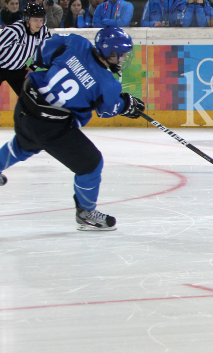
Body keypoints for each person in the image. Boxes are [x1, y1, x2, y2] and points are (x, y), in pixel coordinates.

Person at [0, 26, 145, 230]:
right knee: (91, 164)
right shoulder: (108, 84)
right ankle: (86, 212)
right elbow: (106, 111)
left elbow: (42, 52)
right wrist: (126, 105)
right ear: (110, 53)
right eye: (120, 55)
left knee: (23, 146)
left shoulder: (76, 43)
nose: (122, 59)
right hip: (51, 127)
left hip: (26, 105)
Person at [0, 2, 49, 97]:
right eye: (35, 20)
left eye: (41, 20)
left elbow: (45, 51)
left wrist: (33, 66)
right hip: (1, 67)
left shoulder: (43, 31)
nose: (39, 24)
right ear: (27, 19)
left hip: (18, 70)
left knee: (28, 98)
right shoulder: (14, 31)